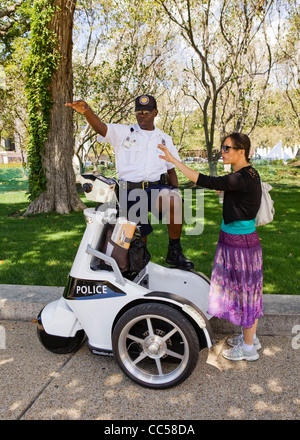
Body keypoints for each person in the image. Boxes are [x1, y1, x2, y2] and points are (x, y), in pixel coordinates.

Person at [158, 133, 263, 361]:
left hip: (239, 245)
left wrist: (173, 161)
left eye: (226, 148)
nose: (222, 152)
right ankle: (250, 338)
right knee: (245, 290)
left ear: (241, 151)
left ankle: (248, 349)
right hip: (240, 241)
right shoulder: (247, 173)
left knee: (245, 294)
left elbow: (203, 180)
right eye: (222, 148)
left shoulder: (240, 177)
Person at [65, 95, 194, 270]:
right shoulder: (124, 133)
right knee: (139, 235)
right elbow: (101, 128)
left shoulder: (164, 139)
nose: (142, 115)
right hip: (130, 191)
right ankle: (139, 264)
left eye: (147, 112)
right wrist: (87, 111)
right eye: (139, 112)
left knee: (174, 199)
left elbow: (171, 170)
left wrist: (176, 191)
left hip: (157, 187)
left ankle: (174, 250)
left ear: (155, 113)